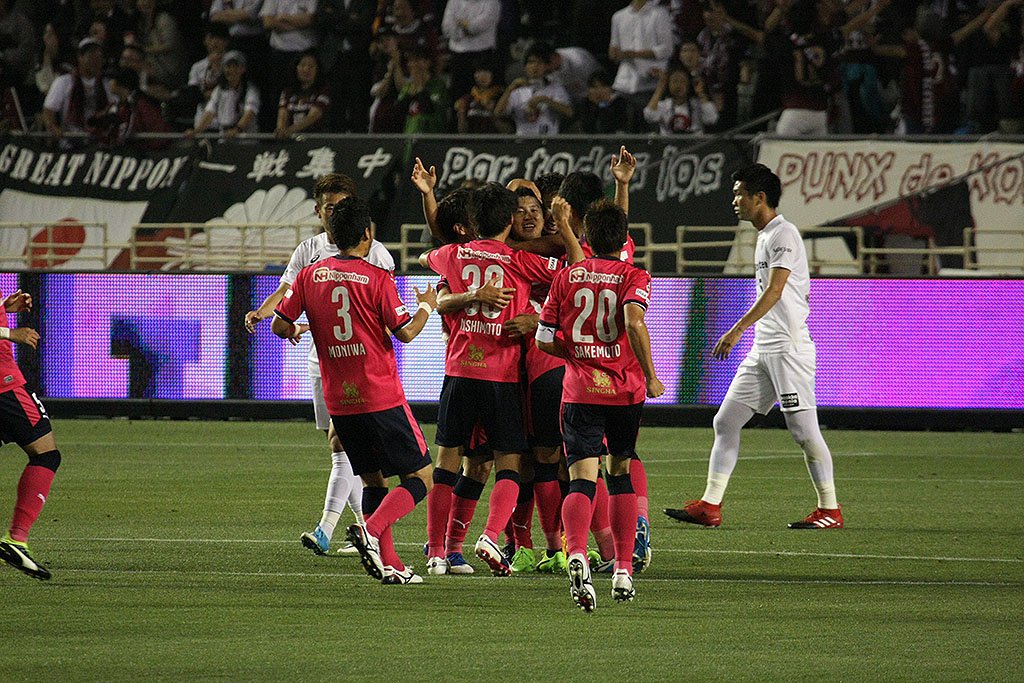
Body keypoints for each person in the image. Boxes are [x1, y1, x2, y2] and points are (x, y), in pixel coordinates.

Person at [664, 163, 843, 530]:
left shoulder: (783, 234)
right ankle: (710, 505)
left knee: (803, 432)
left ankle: (830, 508)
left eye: (739, 194)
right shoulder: (765, 236)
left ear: (759, 197)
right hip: (765, 348)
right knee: (726, 421)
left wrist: (736, 329)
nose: (735, 201)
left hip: (787, 349)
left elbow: (775, 291)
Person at [273, 196, 437, 585]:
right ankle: (370, 530)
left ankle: (391, 565)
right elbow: (406, 333)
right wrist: (428, 306)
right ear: (367, 233)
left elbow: (279, 325)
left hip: (340, 401)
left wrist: (297, 329)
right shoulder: (377, 277)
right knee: (422, 477)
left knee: (373, 480)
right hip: (379, 394)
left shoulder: (309, 276)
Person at [424, 182, 583, 576]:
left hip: (459, 371)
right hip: (502, 374)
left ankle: (438, 552)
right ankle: (491, 535)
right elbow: (577, 273)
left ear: (472, 221)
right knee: (509, 465)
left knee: (447, 465)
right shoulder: (519, 260)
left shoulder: (453, 254)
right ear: (510, 220)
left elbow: (431, 253)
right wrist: (564, 230)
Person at [246, 173, 394, 558]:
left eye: (342, 206)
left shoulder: (376, 253)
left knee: (342, 444)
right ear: (318, 211)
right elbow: (286, 292)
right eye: (329, 207)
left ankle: (326, 528)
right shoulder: (308, 251)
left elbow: (384, 312)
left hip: (362, 366)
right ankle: (365, 532)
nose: (335, 212)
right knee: (344, 448)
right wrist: (263, 313)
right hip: (323, 362)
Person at [536, 198, 664, 612]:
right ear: (625, 239)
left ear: (587, 235)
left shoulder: (567, 276)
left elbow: (542, 338)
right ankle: (623, 569)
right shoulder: (634, 275)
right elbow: (633, 322)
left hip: (579, 391)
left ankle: (576, 552)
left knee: (581, 480)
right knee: (620, 472)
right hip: (624, 391)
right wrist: (650, 375)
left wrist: (577, 355)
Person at [0, 288, 61, 581]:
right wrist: (10, 333)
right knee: (45, 454)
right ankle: (16, 539)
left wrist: (4, 307)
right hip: (4, 386)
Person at [41, 37, 112, 147]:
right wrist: (52, 126)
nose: (96, 61)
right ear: (80, 57)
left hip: (100, 144)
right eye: (91, 56)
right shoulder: (63, 82)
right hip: (70, 144)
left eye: (99, 57)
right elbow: (48, 110)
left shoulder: (107, 85)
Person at [494, 42, 573, 135]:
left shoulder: (556, 88)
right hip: (523, 139)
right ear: (525, 66)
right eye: (531, 62)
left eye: (540, 62)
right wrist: (510, 88)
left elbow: (569, 112)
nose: (535, 66)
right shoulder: (517, 90)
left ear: (546, 66)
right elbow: (498, 113)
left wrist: (545, 100)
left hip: (549, 139)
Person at [608, 0, 674, 108]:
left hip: (650, 84)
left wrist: (634, 54)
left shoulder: (660, 14)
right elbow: (614, 48)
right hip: (623, 83)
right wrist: (614, 53)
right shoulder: (618, 16)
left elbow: (667, 49)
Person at [186, 50, 259, 138]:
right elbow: (210, 112)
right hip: (225, 135)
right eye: (228, 66)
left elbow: (250, 112)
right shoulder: (219, 90)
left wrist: (237, 129)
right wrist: (196, 131)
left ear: (243, 69)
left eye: (235, 66)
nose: (231, 70)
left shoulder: (250, 90)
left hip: (245, 138)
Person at [643, 64, 719, 134]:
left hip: (695, 143)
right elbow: (649, 116)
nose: (678, 85)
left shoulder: (697, 104)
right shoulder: (664, 105)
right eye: (674, 81)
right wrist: (660, 88)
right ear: (668, 84)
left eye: (683, 81)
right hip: (669, 143)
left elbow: (711, 119)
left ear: (689, 84)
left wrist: (701, 93)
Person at [274, 49, 330, 138]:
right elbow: (282, 115)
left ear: (317, 70)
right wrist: (280, 129)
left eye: (311, 66)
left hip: (315, 139)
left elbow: (312, 117)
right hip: (290, 140)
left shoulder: (323, 92)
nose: (306, 69)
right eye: (302, 65)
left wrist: (289, 130)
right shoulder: (287, 92)